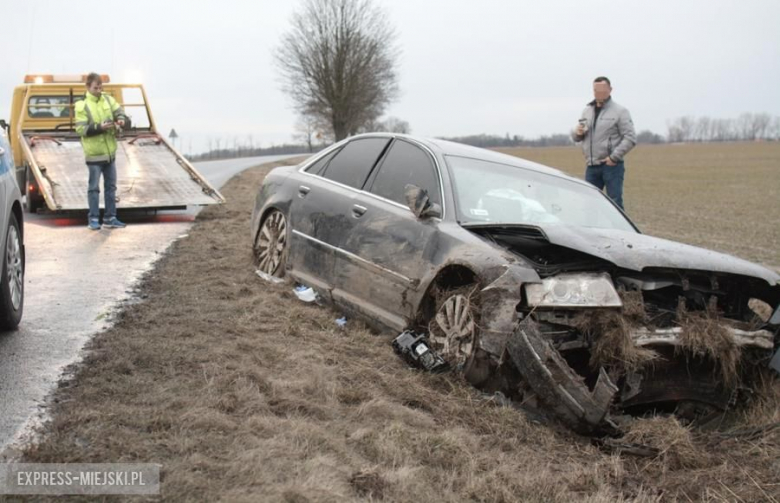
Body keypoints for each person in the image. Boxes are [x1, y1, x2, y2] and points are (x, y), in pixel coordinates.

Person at [74, 73, 129, 230]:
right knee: (94, 188)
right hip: (94, 155)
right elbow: (80, 129)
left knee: (111, 187)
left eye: (100, 87)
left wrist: (121, 119)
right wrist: (100, 127)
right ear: (88, 87)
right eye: (95, 88)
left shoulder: (108, 99)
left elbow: (119, 111)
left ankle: (110, 218)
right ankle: (93, 219)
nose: (98, 91)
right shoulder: (82, 105)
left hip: (110, 154)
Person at [572, 76, 636, 210]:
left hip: (611, 166)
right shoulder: (587, 111)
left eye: (602, 90)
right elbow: (578, 137)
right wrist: (577, 133)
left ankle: (619, 225)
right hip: (591, 166)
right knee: (589, 205)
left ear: (610, 90)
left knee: (614, 204)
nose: (599, 93)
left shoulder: (620, 111)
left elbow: (630, 138)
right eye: (596, 90)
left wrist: (613, 158)